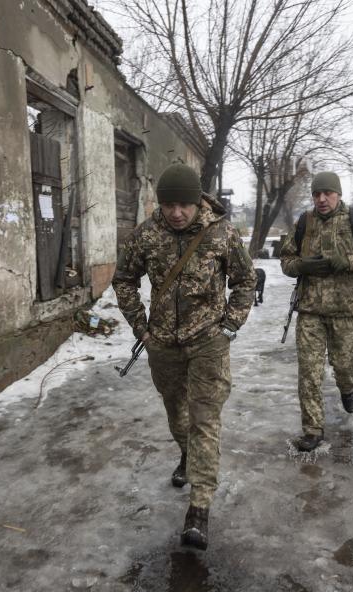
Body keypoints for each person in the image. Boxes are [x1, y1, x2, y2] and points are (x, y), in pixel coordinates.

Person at [112, 163, 256, 550]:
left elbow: (245, 280)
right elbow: (123, 279)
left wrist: (230, 325)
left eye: (184, 205)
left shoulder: (222, 232)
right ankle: (186, 456)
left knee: (205, 420)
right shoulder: (146, 234)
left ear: (197, 202)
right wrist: (140, 326)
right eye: (169, 205)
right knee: (177, 413)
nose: (177, 213)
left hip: (208, 342)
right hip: (162, 343)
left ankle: (199, 510)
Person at [280, 171, 353, 452]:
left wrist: (350, 262)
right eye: (317, 194)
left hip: (346, 312)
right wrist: (302, 266)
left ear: (338, 194)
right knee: (309, 372)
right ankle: (313, 429)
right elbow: (286, 261)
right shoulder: (304, 223)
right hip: (310, 311)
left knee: (345, 366)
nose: (321, 199)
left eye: (327, 193)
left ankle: (347, 387)